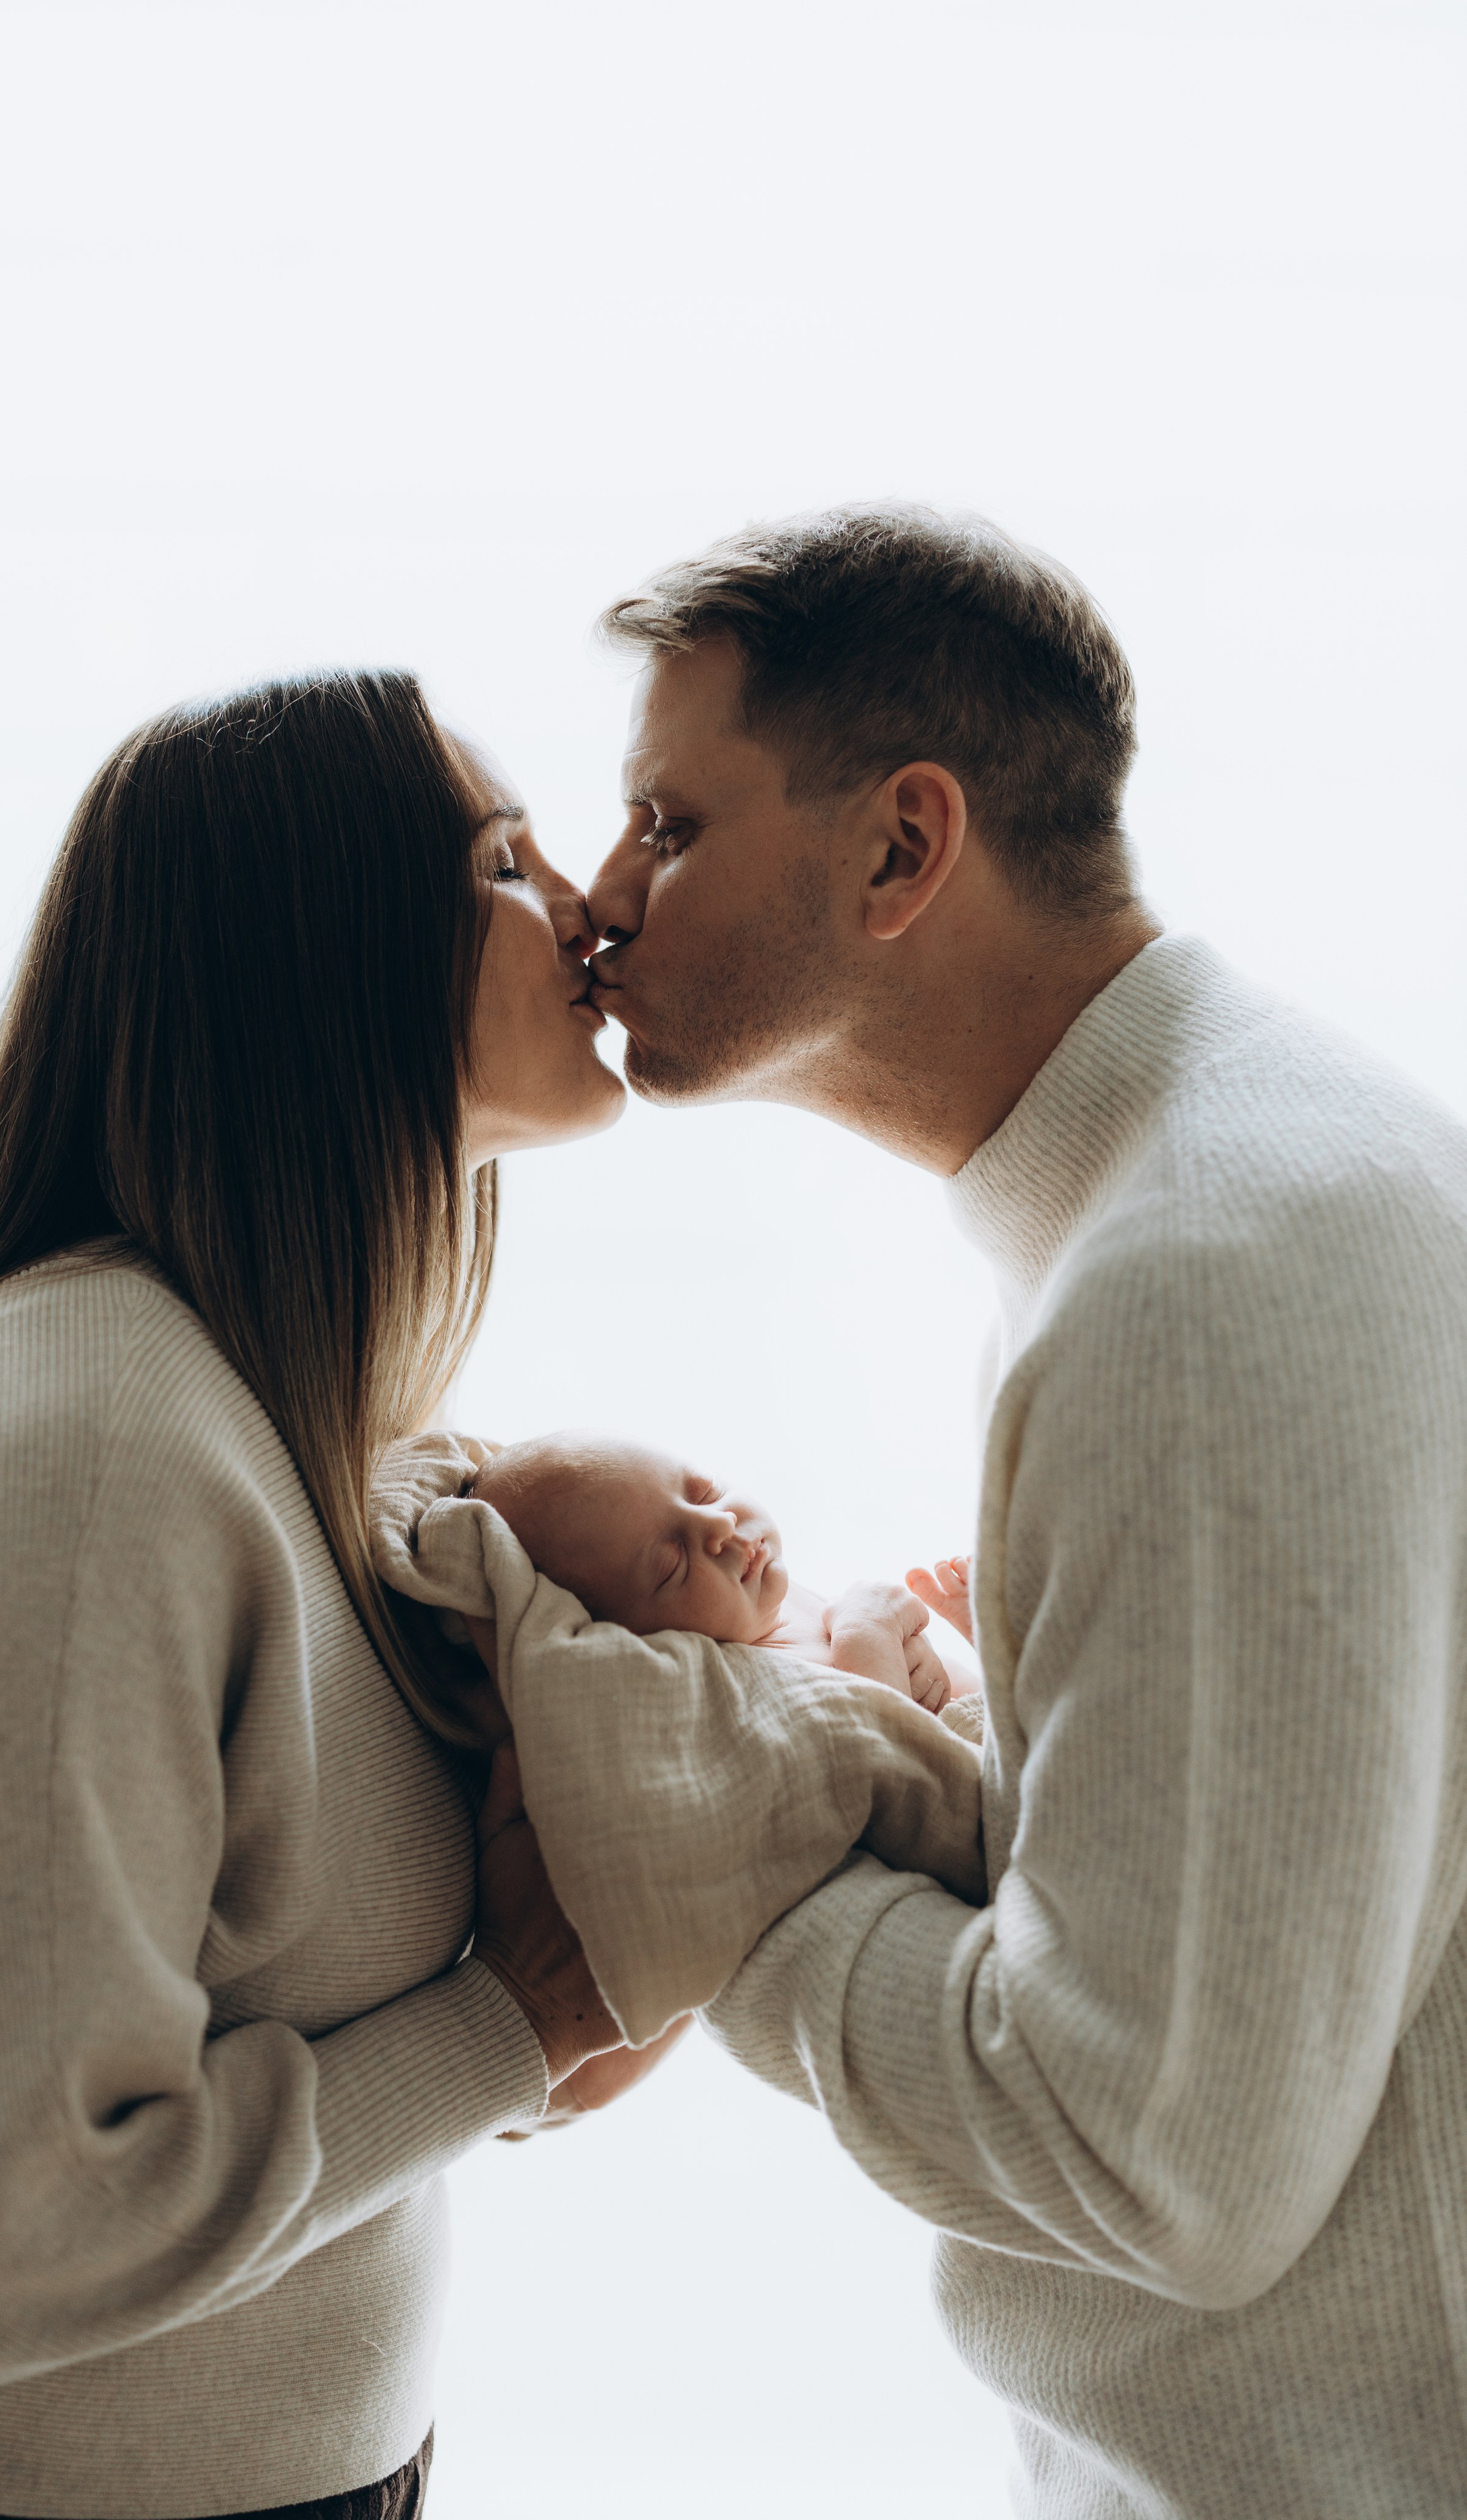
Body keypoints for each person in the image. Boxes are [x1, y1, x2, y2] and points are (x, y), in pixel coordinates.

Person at [583, 504, 1467, 2516]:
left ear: (903, 847)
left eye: (666, 822)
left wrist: (716, 1857)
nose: (598, 895)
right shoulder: (1210, 1182)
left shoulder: (1199, 1269)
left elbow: (1152, 2160)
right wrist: (964, 1758)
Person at [0, 671, 644, 2519]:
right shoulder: (83, 1448)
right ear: (318, 949)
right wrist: (503, 2029)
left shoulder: (283, 1419)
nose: (592, 905)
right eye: (505, 860)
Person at [466, 1427, 967, 1712]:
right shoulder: (731, 1684)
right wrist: (869, 1635)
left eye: (706, 1492)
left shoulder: (760, 1599)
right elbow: (880, 1748)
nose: (721, 1524)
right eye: (672, 1563)